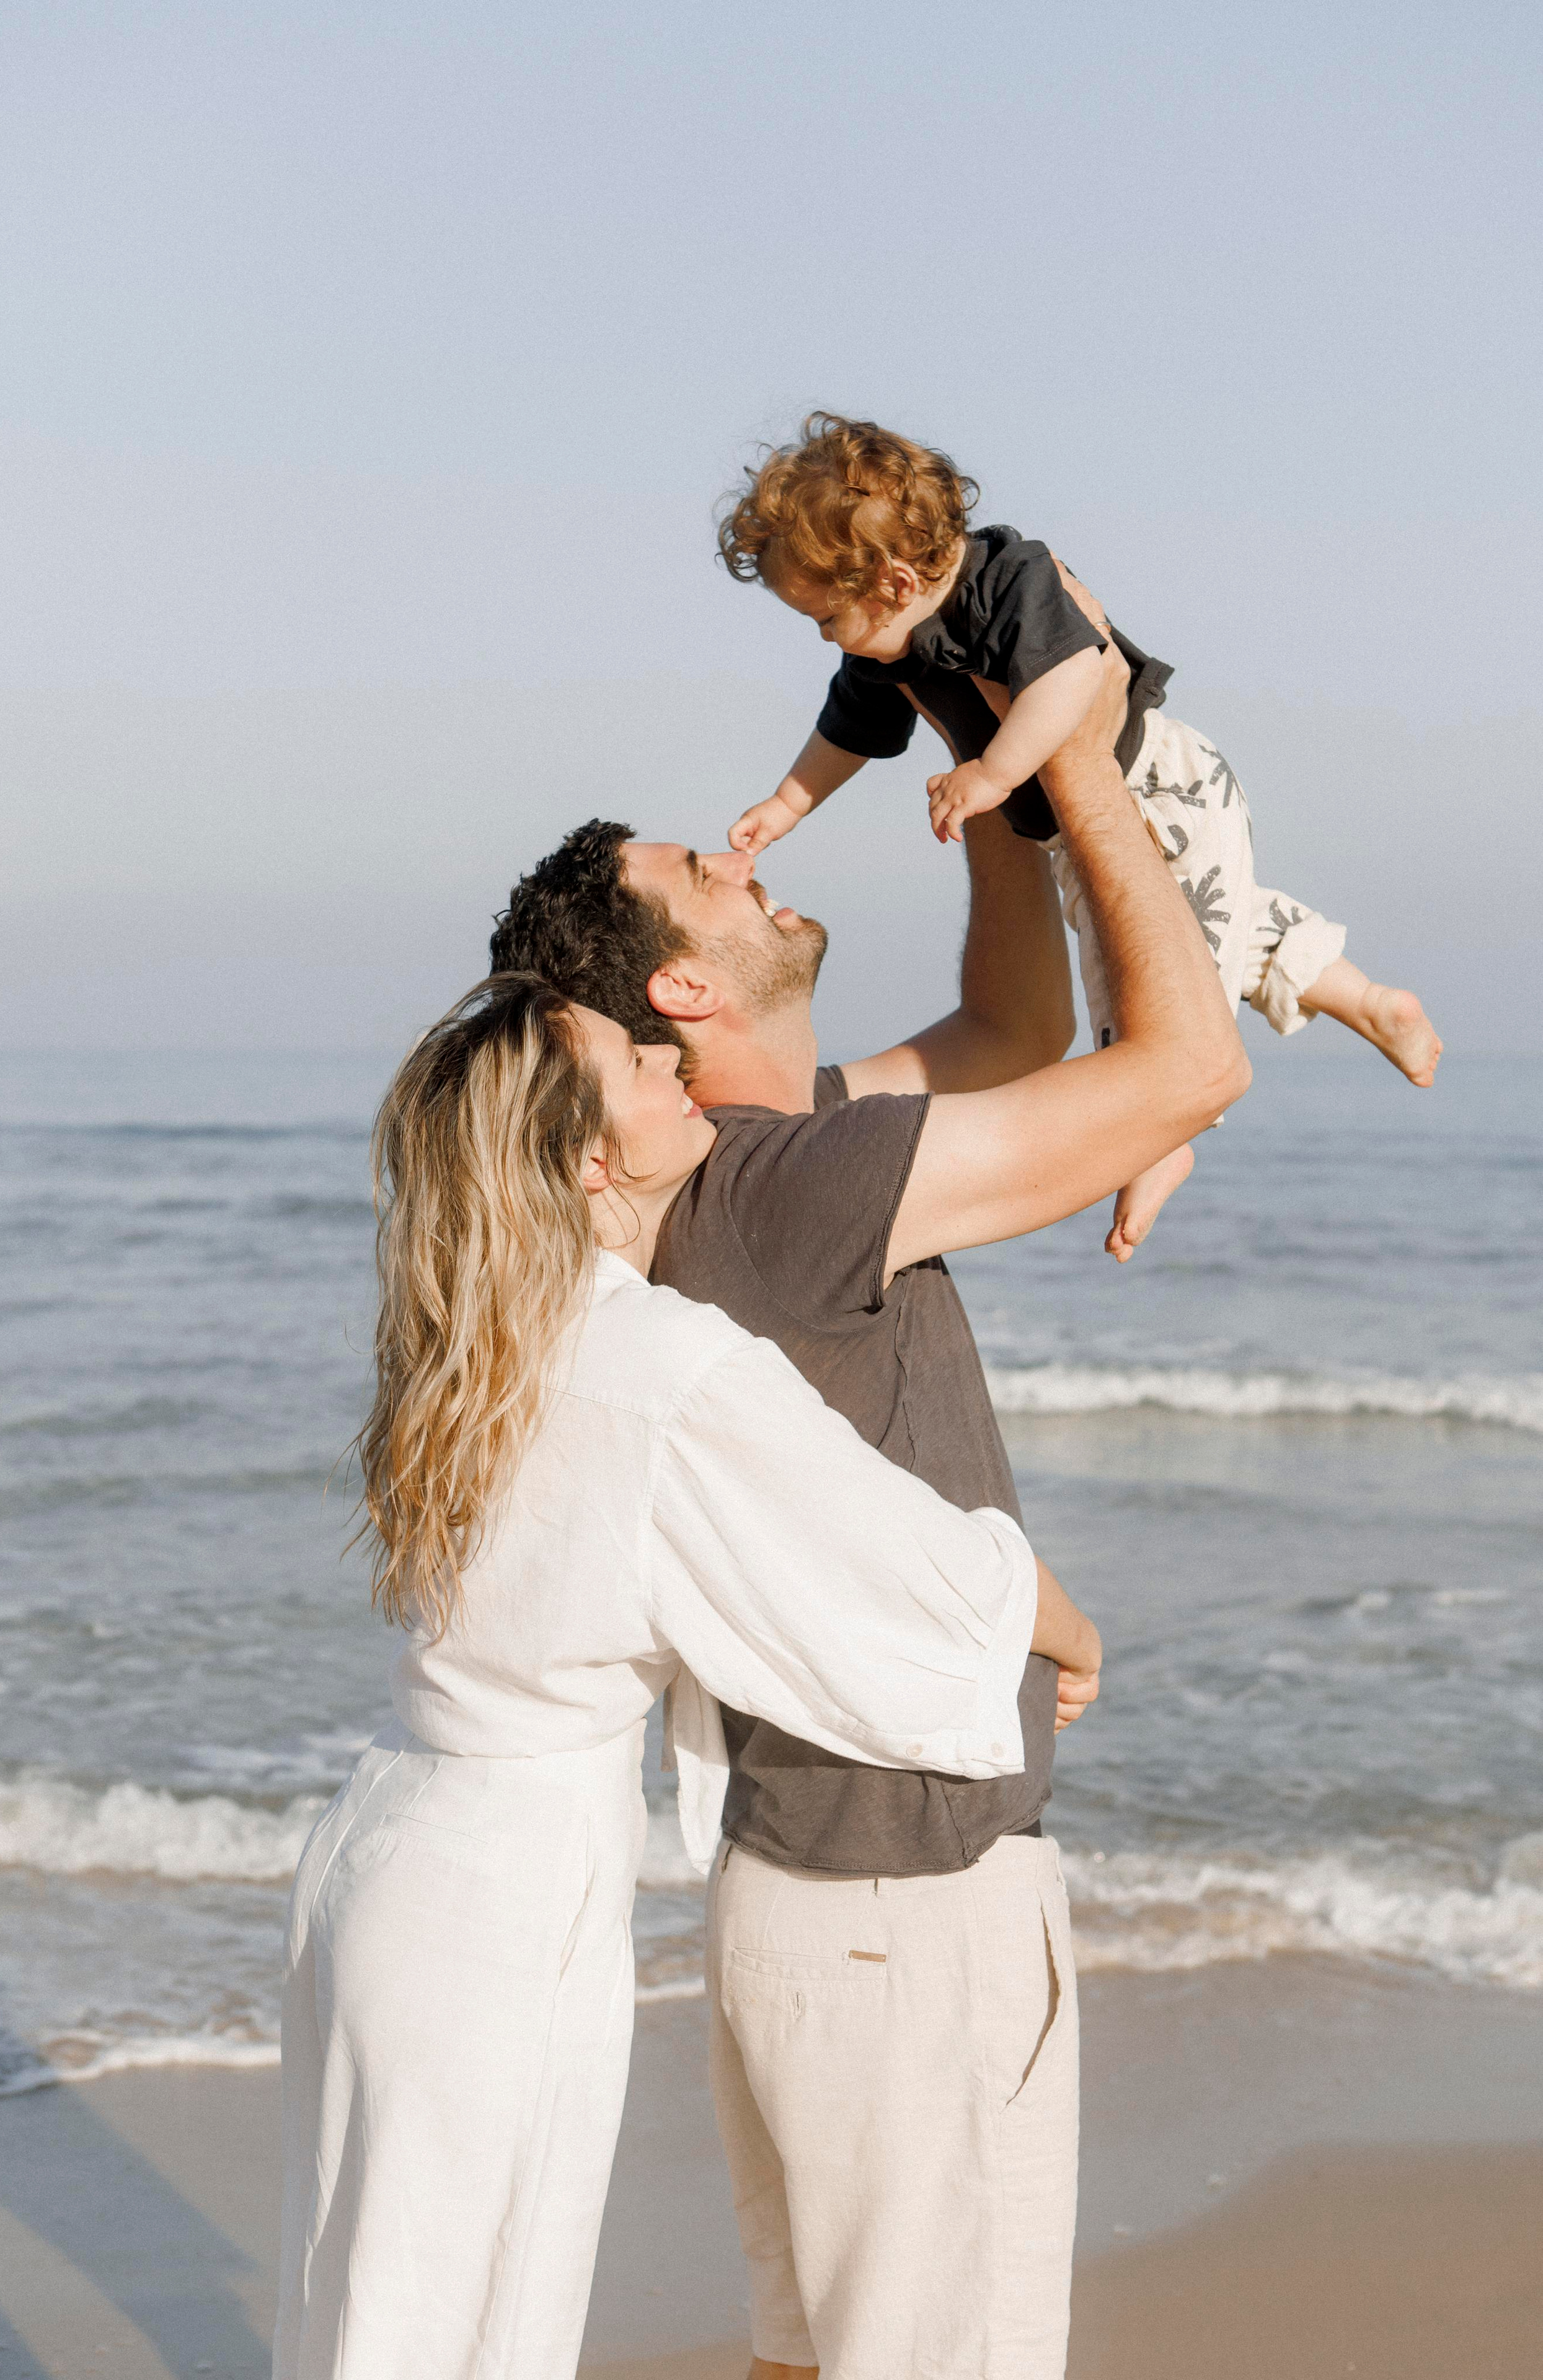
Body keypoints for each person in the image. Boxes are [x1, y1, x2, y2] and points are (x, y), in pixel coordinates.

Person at [489, 664, 1249, 2380]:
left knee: (813, 2358)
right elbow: (1186, 1065)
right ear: (687, 980)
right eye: (710, 870)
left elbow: (1012, 1037)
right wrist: (1080, 758)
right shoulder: (787, 1190)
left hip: (806, 1906)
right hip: (906, 1920)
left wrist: (994, 788)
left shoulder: (735, 1163)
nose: (752, 854)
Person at [272, 972, 1104, 2380]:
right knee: (471, 2330)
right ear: (596, 1159)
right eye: (632, 1062)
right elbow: (905, 1563)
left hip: (381, 1862)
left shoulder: (477, 1327)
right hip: (503, 1903)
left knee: (372, 2317)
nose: (669, 1062)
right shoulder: (658, 1362)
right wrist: (1068, 1636)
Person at [718, 411, 1443, 1259]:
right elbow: (850, 730)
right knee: (1224, 930)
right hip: (1090, 825)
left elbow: (1075, 675)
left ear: (890, 580)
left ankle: (1160, 1136)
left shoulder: (1006, 579)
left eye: (824, 620)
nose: (827, 639)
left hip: (1159, 790)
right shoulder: (892, 648)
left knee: (1137, 975)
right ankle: (1369, 1000)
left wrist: (989, 777)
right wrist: (788, 803)